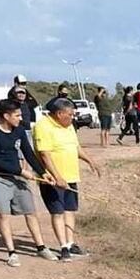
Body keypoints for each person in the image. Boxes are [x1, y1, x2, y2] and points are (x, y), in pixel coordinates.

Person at [0, 99, 59, 267]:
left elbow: (29, 154)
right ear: (5, 116)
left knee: (30, 212)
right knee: (3, 214)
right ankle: (12, 252)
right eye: (17, 115)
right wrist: (21, 171)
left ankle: (41, 247)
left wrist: (43, 172)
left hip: (18, 178)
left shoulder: (20, 130)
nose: (20, 118)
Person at [33, 98, 102, 262]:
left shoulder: (69, 126)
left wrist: (90, 161)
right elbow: (45, 154)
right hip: (53, 179)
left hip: (71, 176)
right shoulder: (43, 126)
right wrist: (58, 177)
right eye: (70, 114)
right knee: (57, 212)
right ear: (59, 113)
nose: (73, 117)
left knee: (70, 210)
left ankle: (71, 243)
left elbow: (76, 147)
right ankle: (63, 247)